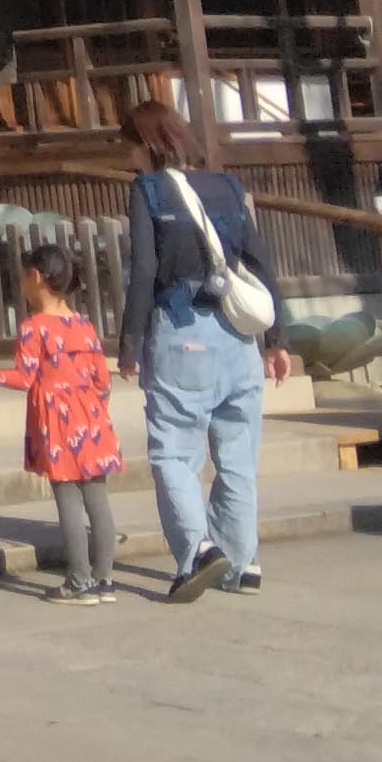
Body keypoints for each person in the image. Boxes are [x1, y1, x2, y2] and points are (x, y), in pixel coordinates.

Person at [119, 101, 292, 604]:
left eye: (129, 143)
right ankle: (244, 563)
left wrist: (130, 343)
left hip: (182, 330)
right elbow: (260, 261)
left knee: (174, 452)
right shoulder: (229, 187)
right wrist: (278, 339)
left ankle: (198, 553)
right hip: (239, 337)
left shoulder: (149, 189)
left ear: (145, 143)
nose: (127, 155)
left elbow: (145, 271)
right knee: (237, 457)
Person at [0, 235, 124, 602]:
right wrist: (95, 413)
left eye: (22, 276)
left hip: (58, 422)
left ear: (36, 277)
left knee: (67, 499)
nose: (20, 283)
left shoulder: (34, 327)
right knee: (97, 499)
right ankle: (105, 580)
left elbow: (25, 377)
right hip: (92, 416)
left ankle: (79, 580)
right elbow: (102, 379)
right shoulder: (83, 324)